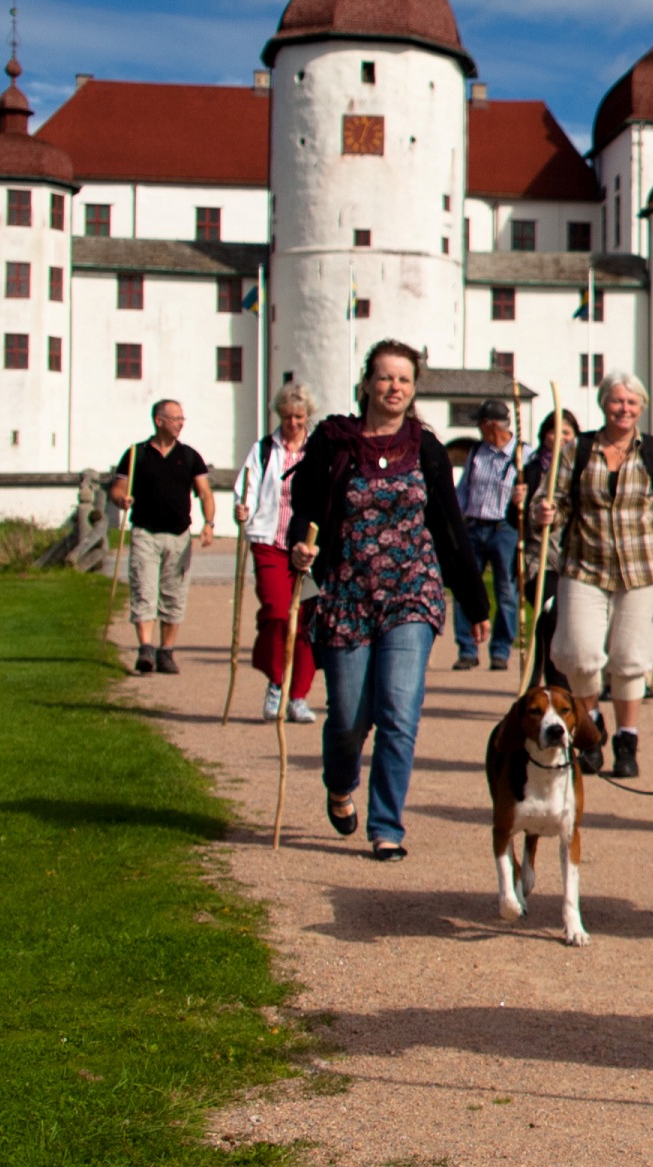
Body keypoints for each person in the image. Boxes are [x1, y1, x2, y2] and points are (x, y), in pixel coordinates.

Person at [287, 340, 467, 861]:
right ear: (367, 383)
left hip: (412, 590)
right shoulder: (333, 441)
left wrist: (474, 606)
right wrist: (303, 542)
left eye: (404, 380)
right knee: (348, 717)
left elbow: (450, 527)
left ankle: (387, 825)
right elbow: (305, 508)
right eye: (386, 378)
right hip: (347, 590)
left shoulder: (426, 447)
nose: (394, 388)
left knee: (398, 710)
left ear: (413, 390)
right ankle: (340, 784)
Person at [528, 374, 653, 782]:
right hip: (585, 567)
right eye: (617, 401)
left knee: (630, 660)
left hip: (643, 572)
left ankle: (627, 740)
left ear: (642, 406)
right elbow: (554, 504)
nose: (624, 409)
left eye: (632, 402)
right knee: (577, 653)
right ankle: (592, 725)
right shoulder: (576, 451)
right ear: (604, 404)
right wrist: (543, 512)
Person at [108, 398, 219, 675]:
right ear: (159, 421)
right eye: (175, 418)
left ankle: (166, 651)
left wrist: (209, 523)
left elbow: (205, 492)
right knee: (144, 590)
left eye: (182, 418)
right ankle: (146, 649)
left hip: (179, 535)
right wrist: (122, 500)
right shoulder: (137, 454)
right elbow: (117, 488)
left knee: (173, 594)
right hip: (145, 532)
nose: (181, 423)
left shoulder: (190, 456)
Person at [232, 381, 321, 721]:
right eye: (287, 417)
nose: (293, 423)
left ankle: (297, 695)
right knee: (276, 612)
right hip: (271, 541)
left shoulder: (317, 451)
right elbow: (247, 487)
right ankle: (276, 681)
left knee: (307, 622)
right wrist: (243, 510)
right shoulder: (265, 450)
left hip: (310, 548)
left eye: (299, 417)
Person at [455, 400, 526, 672]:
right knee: (467, 590)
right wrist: (456, 522)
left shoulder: (522, 454)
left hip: (504, 529)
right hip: (474, 527)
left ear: (491, 424)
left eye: (481, 423)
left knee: (506, 591)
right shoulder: (476, 452)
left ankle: (500, 651)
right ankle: (467, 649)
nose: (478, 428)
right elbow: (464, 489)